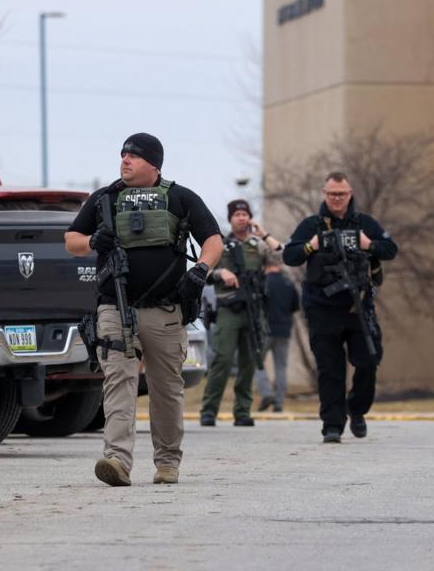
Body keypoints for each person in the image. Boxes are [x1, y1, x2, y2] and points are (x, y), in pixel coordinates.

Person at [65, 132, 222, 486]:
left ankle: (167, 463)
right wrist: (92, 240)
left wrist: (200, 271)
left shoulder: (180, 197)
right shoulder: (104, 199)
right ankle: (116, 460)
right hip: (114, 308)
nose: (125, 160)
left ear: (154, 164)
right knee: (118, 380)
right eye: (122, 154)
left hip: (164, 311)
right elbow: (70, 241)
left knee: (166, 388)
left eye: (134, 156)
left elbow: (213, 238)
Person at [283, 172, 397, 443]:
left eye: (342, 194)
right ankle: (332, 425)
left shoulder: (364, 223)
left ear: (350, 194)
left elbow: (390, 249)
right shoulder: (312, 224)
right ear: (324, 194)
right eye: (332, 193)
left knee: (369, 361)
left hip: (358, 307)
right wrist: (311, 246)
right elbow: (290, 255)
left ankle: (356, 410)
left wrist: (369, 244)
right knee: (330, 368)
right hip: (322, 308)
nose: (337, 198)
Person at [199, 200, 283, 427]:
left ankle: (242, 411)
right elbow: (202, 271)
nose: (241, 218)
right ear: (230, 218)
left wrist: (264, 233)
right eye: (236, 214)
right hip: (228, 308)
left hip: (254, 309)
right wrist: (220, 273)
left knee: (249, 362)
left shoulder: (259, 244)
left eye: (245, 213)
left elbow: (281, 255)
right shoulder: (221, 244)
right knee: (222, 360)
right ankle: (209, 410)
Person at [255, 251, 300, 413]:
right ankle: (279, 402)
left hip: (266, 330)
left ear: (265, 265)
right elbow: (296, 305)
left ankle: (267, 393)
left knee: (257, 363)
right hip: (284, 329)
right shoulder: (288, 283)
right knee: (281, 367)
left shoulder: (263, 282)